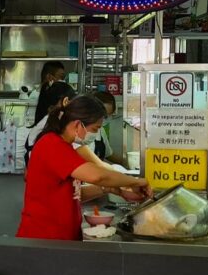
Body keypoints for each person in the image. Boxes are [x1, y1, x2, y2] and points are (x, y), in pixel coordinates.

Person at [18, 95, 152, 241]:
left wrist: (115, 190)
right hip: (43, 238)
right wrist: (135, 182)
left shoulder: (66, 146)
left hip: (61, 238)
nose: (95, 134)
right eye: (95, 129)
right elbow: (98, 176)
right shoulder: (51, 145)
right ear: (78, 124)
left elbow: (72, 194)